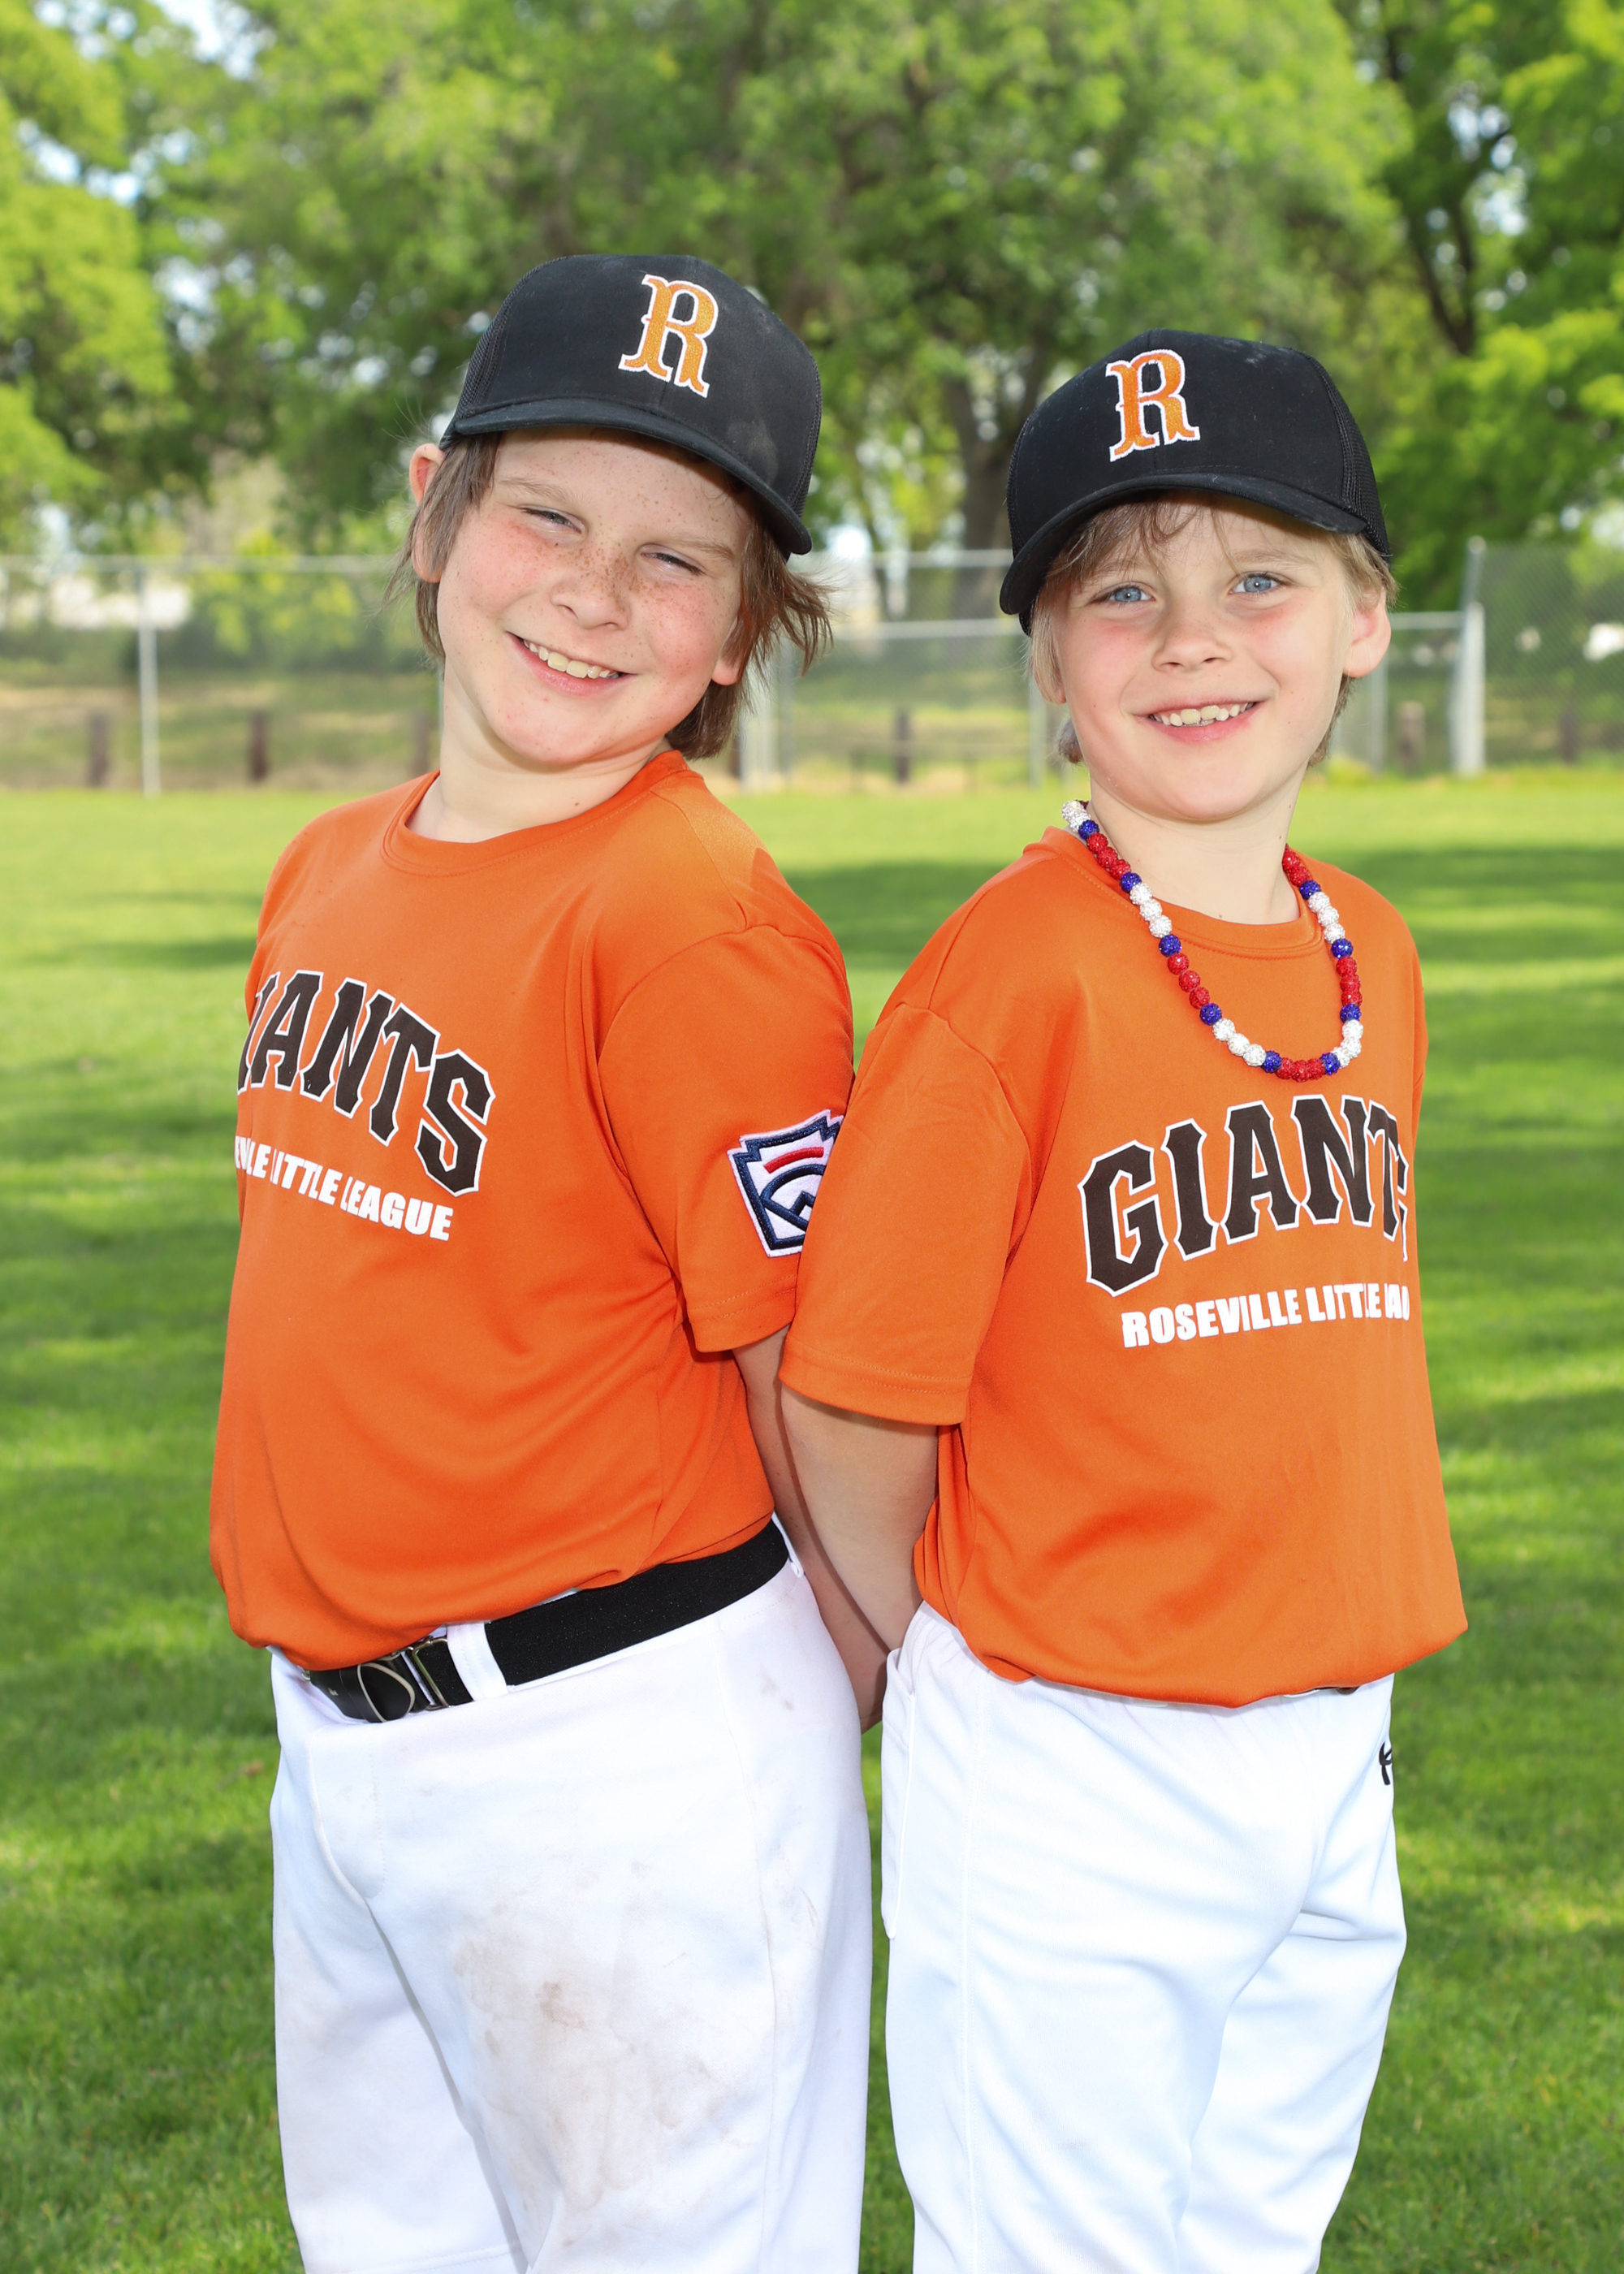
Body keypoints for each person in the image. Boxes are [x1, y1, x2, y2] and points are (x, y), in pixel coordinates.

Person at [210, 253, 883, 2274]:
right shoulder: (331, 861)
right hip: (345, 1735)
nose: (593, 592)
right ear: (435, 513)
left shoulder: (688, 921)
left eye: (676, 558)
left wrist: (864, 1669)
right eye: (549, 516)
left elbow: (806, 1364)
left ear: (741, 629)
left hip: (615, 1749)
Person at [779, 331, 1466, 2273]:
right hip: (1073, 1751)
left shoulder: (1369, 949)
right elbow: (854, 1396)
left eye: (1259, 577)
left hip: (1333, 1733)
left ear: (1363, 619)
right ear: (1045, 662)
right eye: (1120, 594)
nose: (1193, 640)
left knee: (1252, 2236)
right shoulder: (1010, 971)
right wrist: (971, 1650)